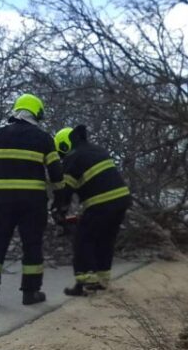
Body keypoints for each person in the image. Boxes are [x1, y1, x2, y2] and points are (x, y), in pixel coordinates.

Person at [0, 94, 64, 307]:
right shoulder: (43, 139)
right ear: (36, 113)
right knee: (32, 246)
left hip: (1, 203)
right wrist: (59, 199)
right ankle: (30, 293)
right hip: (33, 204)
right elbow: (56, 173)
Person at [52, 124, 132, 296]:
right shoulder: (97, 150)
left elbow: (65, 190)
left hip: (101, 202)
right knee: (105, 240)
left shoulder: (72, 158)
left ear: (64, 146)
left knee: (83, 239)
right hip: (122, 200)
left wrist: (58, 211)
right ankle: (102, 281)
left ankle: (86, 283)